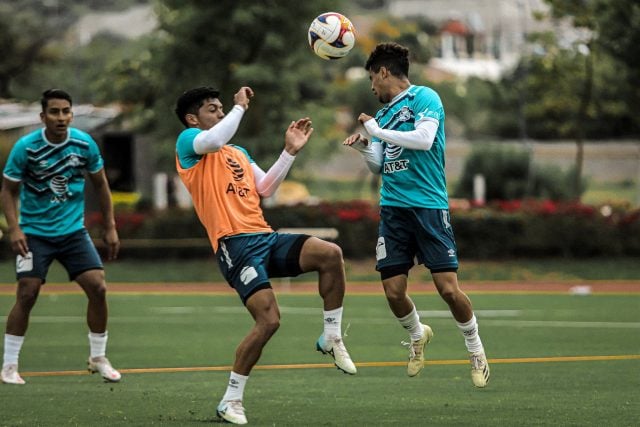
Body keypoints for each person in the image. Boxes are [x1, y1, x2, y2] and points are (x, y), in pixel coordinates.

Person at [175, 86, 356, 425]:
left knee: (330, 254)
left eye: (221, 108)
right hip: (235, 246)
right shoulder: (188, 143)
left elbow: (266, 188)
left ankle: (331, 336)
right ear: (192, 118)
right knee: (269, 321)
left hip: (265, 237)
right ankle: (231, 400)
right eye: (212, 109)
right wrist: (239, 108)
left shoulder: (238, 152)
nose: (220, 112)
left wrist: (289, 152)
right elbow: (212, 140)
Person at [343, 42, 490, 388]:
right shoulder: (382, 116)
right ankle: (417, 335)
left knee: (448, 289)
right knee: (393, 291)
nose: (372, 88)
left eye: (372, 79)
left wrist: (375, 131)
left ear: (383, 72)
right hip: (393, 209)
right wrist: (366, 147)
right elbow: (381, 164)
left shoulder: (426, 98)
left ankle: (475, 349)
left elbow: (424, 140)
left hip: (428, 206)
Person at [1, 89, 121, 385]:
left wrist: (110, 226)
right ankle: (9, 365)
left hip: (73, 233)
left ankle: (98, 357)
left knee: (98, 287)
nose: (61, 117)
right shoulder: (25, 148)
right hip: (34, 233)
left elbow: (101, 185)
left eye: (66, 111)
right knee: (27, 293)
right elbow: (7, 191)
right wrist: (14, 228)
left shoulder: (84, 144)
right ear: (43, 117)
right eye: (54, 112)